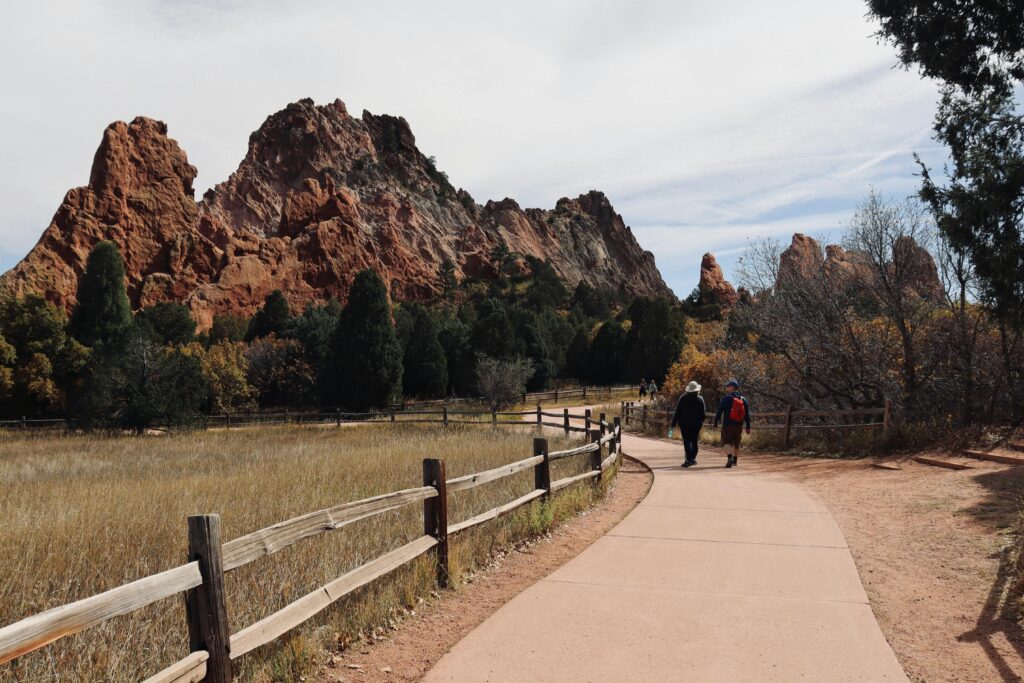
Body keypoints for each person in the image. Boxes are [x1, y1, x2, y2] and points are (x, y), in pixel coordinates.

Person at [713, 378, 751, 468]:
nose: (727, 387)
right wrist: (748, 426)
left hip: (727, 425)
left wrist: (715, 422)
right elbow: (747, 414)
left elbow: (719, 412)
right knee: (736, 443)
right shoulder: (743, 399)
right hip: (739, 425)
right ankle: (735, 461)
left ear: (732, 387)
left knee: (726, 442)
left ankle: (730, 457)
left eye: (728, 386)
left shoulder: (726, 399)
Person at [668, 381, 706, 467]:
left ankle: (688, 460)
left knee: (687, 441)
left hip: (684, 424)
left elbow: (677, 412)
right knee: (694, 441)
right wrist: (700, 422)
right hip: (696, 424)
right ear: (697, 390)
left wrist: (673, 425)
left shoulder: (683, 398)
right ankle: (693, 459)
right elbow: (703, 414)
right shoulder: (700, 399)